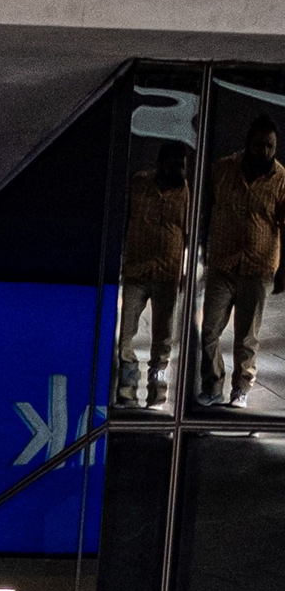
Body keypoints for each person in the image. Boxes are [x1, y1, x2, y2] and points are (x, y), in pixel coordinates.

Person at [198, 114, 285, 407]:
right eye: (259, 144)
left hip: (258, 267)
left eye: (270, 146)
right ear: (248, 143)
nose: (265, 151)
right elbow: (205, 208)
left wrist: (283, 269)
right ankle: (212, 385)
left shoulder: (281, 179)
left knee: (246, 337)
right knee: (209, 330)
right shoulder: (223, 169)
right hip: (223, 263)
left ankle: (241, 388)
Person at [117, 141, 190, 407]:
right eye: (175, 164)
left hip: (167, 274)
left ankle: (158, 393)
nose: (180, 170)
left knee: (163, 340)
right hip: (136, 270)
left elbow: (189, 236)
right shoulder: (139, 184)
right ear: (161, 163)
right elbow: (125, 218)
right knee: (125, 335)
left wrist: (185, 272)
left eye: (183, 166)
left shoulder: (187, 194)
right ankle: (126, 391)